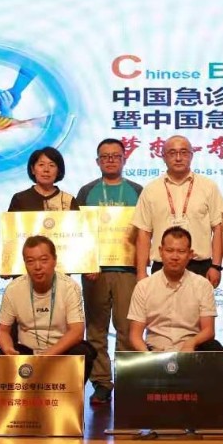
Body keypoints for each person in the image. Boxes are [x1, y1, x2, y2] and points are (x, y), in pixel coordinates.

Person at [76, 138, 144, 405]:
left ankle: (127, 379)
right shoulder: (86, 192)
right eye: (105, 156)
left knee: (127, 328)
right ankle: (102, 382)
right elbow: (79, 232)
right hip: (95, 271)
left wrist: (142, 268)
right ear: (97, 162)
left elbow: (145, 233)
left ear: (124, 159)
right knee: (96, 329)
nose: (111, 160)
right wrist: (86, 262)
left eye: (116, 156)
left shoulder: (137, 191)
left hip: (128, 270)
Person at [0, 236, 95, 383]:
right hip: (27, 352)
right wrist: (8, 348)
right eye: (30, 261)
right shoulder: (13, 289)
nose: (37, 267)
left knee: (83, 352)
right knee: (5, 353)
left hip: (60, 351)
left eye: (43, 260)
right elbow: (2, 331)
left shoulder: (70, 287)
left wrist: (46, 356)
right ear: (25, 263)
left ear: (55, 260)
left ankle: (69, 396)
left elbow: (77, 332)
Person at [132, 135, 223, 287]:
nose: (178, 158)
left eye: (183, 152)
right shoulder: (151, 190)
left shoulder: (208, 187)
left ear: (191, 155)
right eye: (172, 153)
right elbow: (143, 232)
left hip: (200, 267)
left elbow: (219, 227)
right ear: (163, 157)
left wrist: (216, 266)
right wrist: (141, 272)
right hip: (161, 267)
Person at [128, 227, 223, 352]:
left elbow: (208, 330)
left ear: (190, 254)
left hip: (191, 350)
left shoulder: (203, 285)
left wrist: (191, 343)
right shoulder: (144, 287)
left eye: (181, 251)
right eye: (169, 250)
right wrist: (147, 357)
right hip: (155, 351)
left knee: (215, 348)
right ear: (161, 251)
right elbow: (135, 335)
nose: (175, 256)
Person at [8, 146, 78, 211]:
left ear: (58, 171)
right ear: (33, 169)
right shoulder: (20, 199)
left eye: (51, 165)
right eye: (41, 165)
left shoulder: (69, 201)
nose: (46, 169)